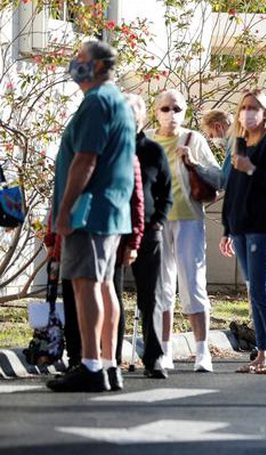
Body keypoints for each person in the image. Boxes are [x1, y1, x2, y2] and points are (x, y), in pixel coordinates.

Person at [47, 40, 136, 392]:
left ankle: (90, 365)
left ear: (99, 67)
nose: (75, 65)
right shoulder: (118, 101)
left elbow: (85, 160)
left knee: (86, 286)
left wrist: (65, 209)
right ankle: (108, 365)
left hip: (90, 209)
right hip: (111, 207)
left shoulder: (97, 102)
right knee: (103, 285)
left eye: (81, 60)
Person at [146, 89, 221, 373]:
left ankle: (202, 351)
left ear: (185, 111)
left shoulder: (193, 139)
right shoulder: (148, 140)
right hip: (157, 220)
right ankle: (164, 350)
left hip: (189, 218)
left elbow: (218, 177)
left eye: (176, 108)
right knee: (162, 286)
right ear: (156, 111)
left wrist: (194, 162)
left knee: (193, 282)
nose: (171, 114)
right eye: (165, 109)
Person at [220, 88, 266, 374]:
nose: (248, 112)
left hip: (263, 224)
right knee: (253, 292)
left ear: (264, 112)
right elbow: (233, 189)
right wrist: (227, 228)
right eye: (244, 107)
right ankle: (261, 352)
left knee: (261, 289)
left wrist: (252, 169)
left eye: (254, 107)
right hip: (240, 225)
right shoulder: (241, 142)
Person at [124, 93, 173, 378]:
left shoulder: (153, 150)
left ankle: (153, 357)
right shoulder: (111, 147)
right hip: (115, 231)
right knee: (112, 294)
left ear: (143, 119)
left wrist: (157, 223)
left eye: (134, 114)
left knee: (150, 295)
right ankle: (108, 353)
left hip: (148, 231)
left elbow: (165, 192)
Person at [201, 109, 233, 189]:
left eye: (211, 135)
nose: (212, 140)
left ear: (218, 126)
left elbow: (225, 181)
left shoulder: (234, 144)